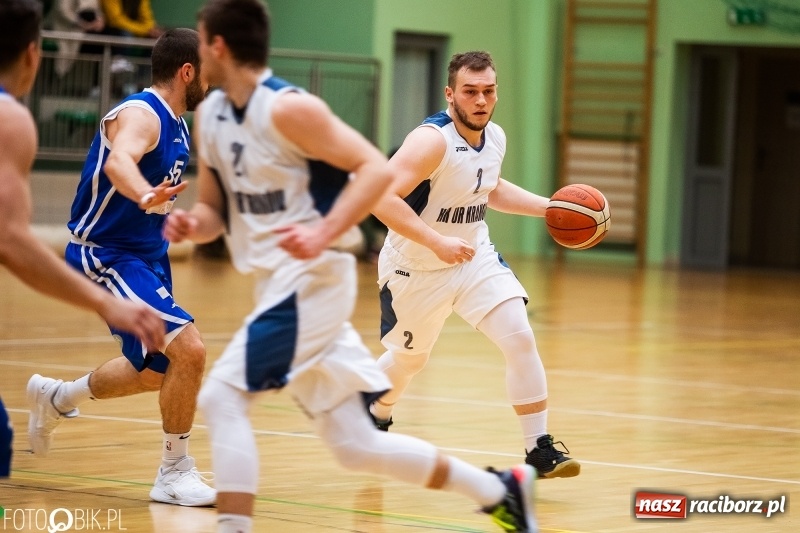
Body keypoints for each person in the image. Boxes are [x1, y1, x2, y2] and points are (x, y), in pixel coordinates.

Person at [164, 0, 538, 531]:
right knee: (355, 446)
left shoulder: (290, 108)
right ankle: (499, 489)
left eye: (202, 42)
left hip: (312, 283)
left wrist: (322, 230)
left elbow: (371, 172)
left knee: (223, 396)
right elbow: (213, 213)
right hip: (278, 285)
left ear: (217, 47)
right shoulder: (213, 119)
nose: (198, 53)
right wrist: (188, 224)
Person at [369, 51, 581, 480]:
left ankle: (538, 449)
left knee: (520, 337)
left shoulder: (495, 137)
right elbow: (379, 198)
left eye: (488, 91)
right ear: (451, 94)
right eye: (470, 92)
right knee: (409, 361)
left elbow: (490, 187)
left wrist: (552, 208)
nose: (481, 100)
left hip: (473, 257)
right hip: (415, 266)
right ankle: (374, 410)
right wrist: (435, 241)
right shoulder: (431, 141)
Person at [26, 28, 216, 507]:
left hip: (147, 255)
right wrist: (143, 192)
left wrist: (174, 217)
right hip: (105, 252)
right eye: (207, 73)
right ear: (187, 71)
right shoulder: (141, 114)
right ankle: (174, 471)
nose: (212, 85)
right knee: (190, 351)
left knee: (157, 371)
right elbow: (119, 165)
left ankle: (57, 397)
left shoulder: (179, 122)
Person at [0, 0, 164, 477]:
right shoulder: (10, 119)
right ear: (34, 54)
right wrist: (110, 305)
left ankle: (59, 396)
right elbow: (11, 240)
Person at [48, 0, 105, 78]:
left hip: (89, 32)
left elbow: (97, 11)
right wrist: (81, 24)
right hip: (64, 29)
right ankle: (57, 78)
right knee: (63, 55)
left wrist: (98, 22)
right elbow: (62, 11)